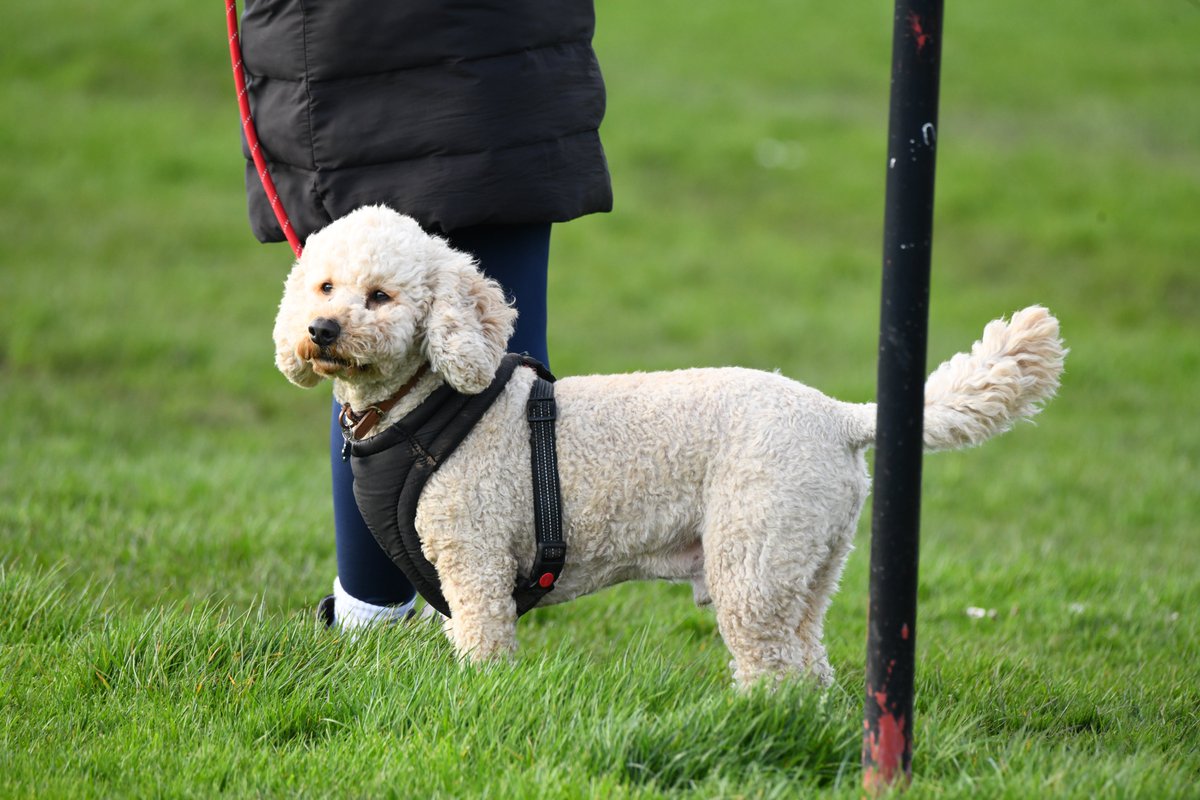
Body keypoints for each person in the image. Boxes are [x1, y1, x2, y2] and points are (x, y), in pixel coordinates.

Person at [237, 0, 611, 628]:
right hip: (490, 52)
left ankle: (411, 617)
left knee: (457, 356)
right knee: (375, 347)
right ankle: (441, 618)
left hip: (356, 48)